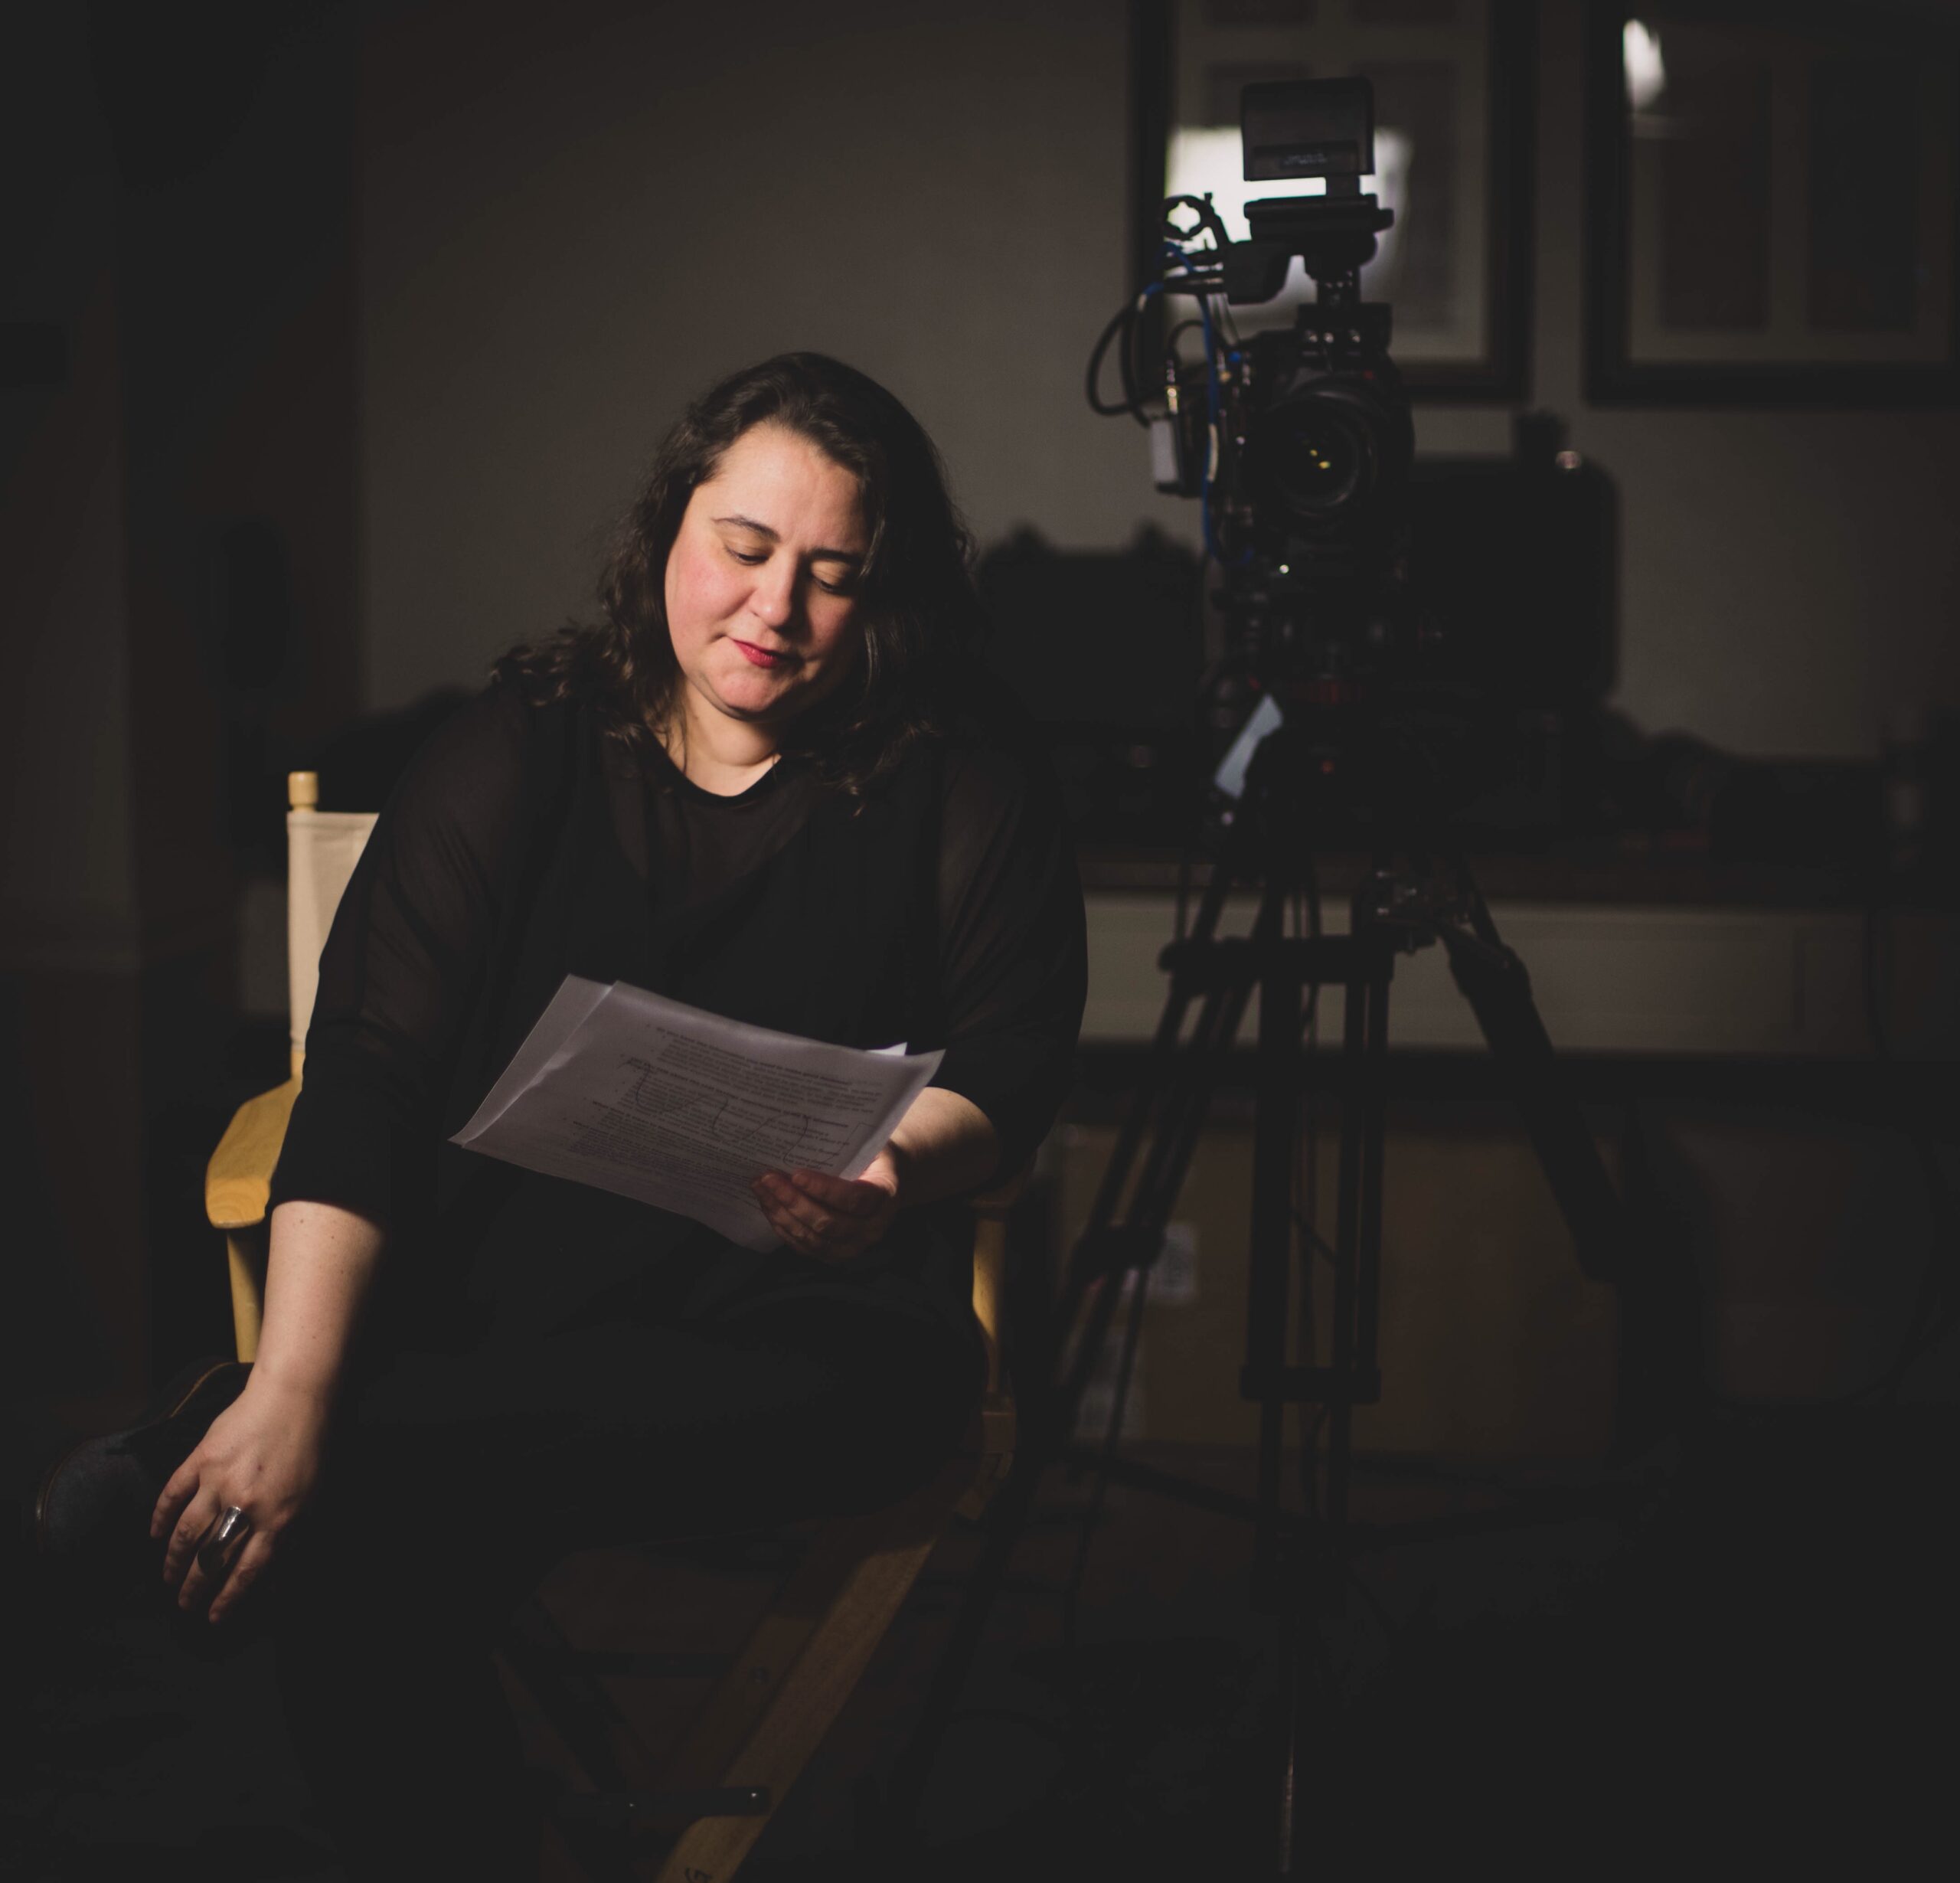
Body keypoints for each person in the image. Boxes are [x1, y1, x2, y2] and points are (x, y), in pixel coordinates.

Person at [145, 354, 1086, 1875]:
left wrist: (891, 1172)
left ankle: (192, 1478)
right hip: (515, 1302)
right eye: (743, 548)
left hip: (809, 1327)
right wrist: (296, 1380)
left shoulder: (961, 776)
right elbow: (372, 1066)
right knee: (370, 1521)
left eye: (831, 575)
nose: (773, 611)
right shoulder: (516, 746)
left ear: (885, 596)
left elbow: (1016, 1060)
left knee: (362, 1510)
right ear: (668, 530)